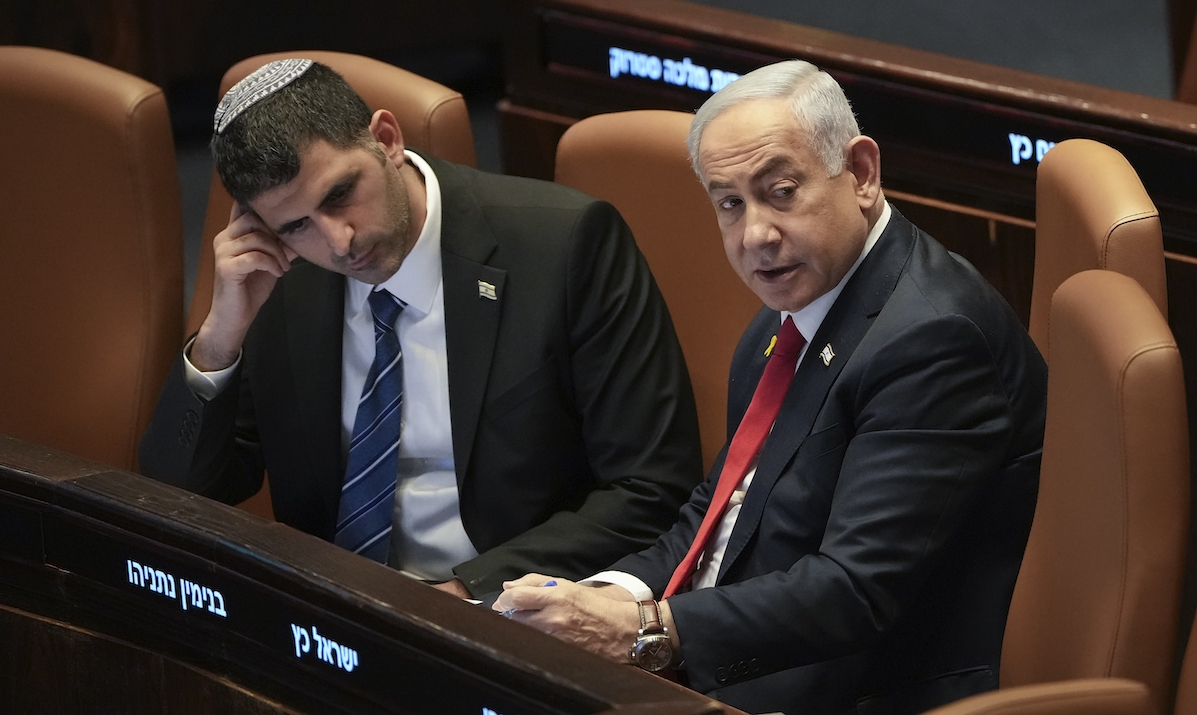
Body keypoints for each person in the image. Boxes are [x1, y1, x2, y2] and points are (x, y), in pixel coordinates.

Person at [493, 59, 1048, 715]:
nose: (754, 234)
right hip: (752, 654)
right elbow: (721, 511)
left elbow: (853, 590)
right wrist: (609, 596)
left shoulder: (930, 338)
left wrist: (643, 632)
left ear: (861, 174)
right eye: (729, 204)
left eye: (780, 190)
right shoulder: (794, 304)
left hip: (860, 687)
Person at [138, 59, 703, 600]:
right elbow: (180, 498)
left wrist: (465, 594)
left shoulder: (566, 245)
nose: (339, 242)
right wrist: (220, 337)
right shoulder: (280, 277)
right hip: (332, 617)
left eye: (340, 194)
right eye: (297, 225)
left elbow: (650, 489)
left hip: (507, 605)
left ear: (386, 139)